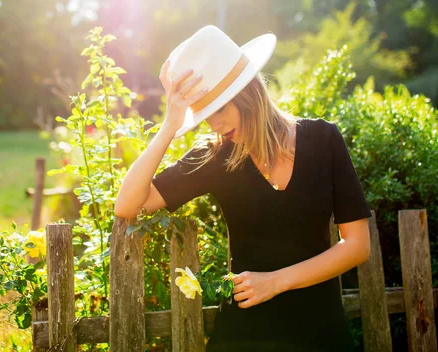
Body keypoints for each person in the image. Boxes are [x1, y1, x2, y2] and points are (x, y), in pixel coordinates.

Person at [114, 25, 371, 352]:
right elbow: (127, 206)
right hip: (244, 334)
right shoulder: (214, 156)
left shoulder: (324, 140)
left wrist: (275, 282)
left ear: (248, 91)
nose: (215, 125)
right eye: (205, 114)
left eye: (219, 108)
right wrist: (170, 125)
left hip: (320, 332)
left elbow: (358, 245)